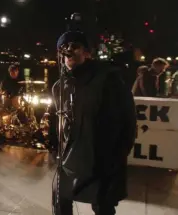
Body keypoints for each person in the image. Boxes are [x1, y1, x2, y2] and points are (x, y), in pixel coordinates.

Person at [51, 31, 137, 215]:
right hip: (69, 161)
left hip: (101, 160)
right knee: (60, 200)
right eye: (63, 48)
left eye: (75, 46)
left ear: (87, 53)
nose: (69, 51)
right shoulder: (59, 87)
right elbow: (59, 122)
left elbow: (127, 121)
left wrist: (117, 156)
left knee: (102, 206)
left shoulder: (108, 79)